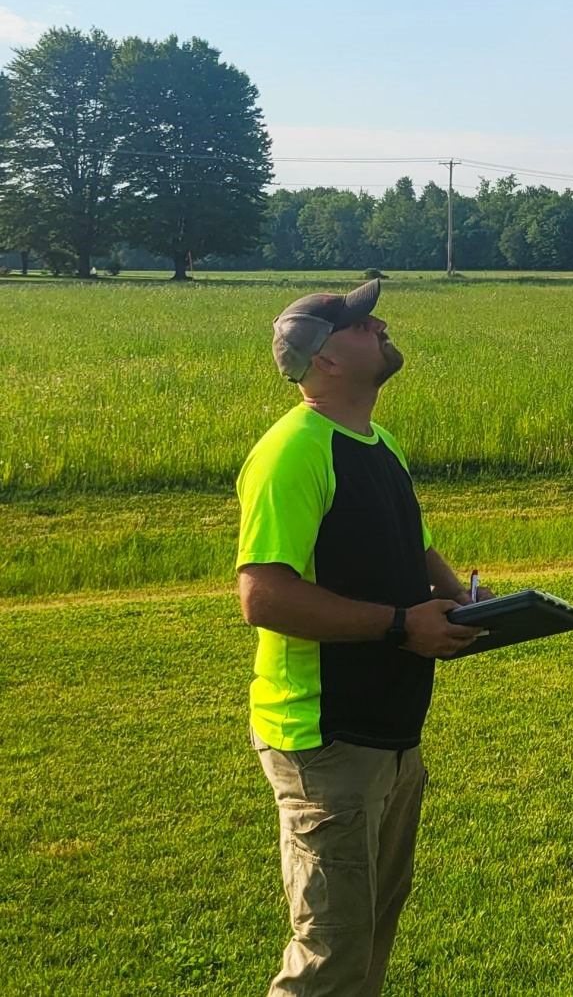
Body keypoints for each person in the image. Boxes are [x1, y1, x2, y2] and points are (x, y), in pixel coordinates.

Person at [235, 278, 488, 996]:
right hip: (325, 736)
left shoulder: (379, 443)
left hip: (390, 733)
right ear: (324, 361)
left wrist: (460, 597)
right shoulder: (292, 452)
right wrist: (404, 624)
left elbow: (415, 546)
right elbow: (262, 594)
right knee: (331, 954)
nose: (377, 323)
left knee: (371, 927)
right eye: (356, 322)